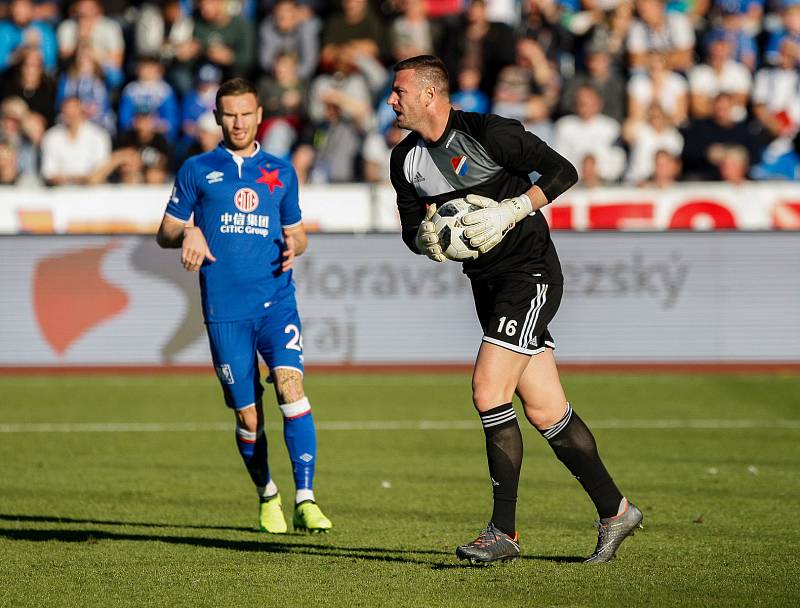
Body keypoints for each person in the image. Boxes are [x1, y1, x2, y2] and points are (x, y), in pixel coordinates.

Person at [387, 55, 642, 565]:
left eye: (399, 91)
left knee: (488, 390)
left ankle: (503, 531)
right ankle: (617, 511)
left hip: (531, 273)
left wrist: (514, 208)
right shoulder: (405, 162)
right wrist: (430, 239)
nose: (392, 99)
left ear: (431, 95)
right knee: (546, 409)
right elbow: (412, 234)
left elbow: (562, 171)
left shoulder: (489, 132)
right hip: (486, 286)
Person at [156, 78, 332, 535]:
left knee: (292, 390)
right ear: (217, 117)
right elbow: (166, 230)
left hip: (277, 303)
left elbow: (299, 232)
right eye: (229, 113)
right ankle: (267, 493)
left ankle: (306, 498)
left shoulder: (280, 170)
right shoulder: (198, 169)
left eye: (246, 113)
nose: (238, 121)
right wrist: (189, 232)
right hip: (225, 312)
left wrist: (298, 244)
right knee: (248, 415)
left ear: (259, 116)